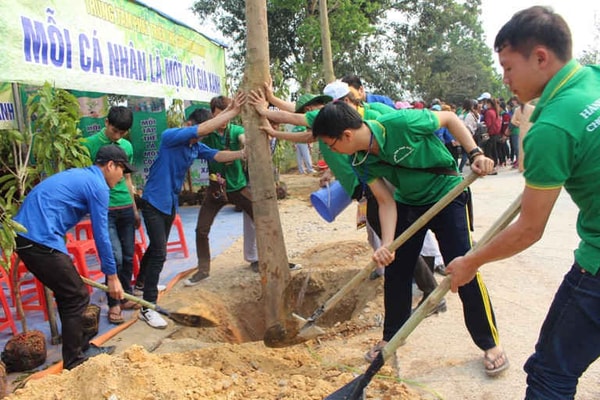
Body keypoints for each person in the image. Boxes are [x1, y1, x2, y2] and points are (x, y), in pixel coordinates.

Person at [447, 6, 600, 398]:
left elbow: (530, 229)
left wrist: (471, 261)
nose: (504, 79)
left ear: (541, 57)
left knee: (550, 372)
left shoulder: (552, 128)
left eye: (508, 67)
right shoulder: (594, 80)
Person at [311, 101, 509, 375]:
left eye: (330, 145)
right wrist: (389, 244)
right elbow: (385, 201)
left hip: (446, 193)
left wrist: (475, 152)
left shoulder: (401, 123)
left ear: (346, 135)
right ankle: (390, 339)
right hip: (408, 203)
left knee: (463, 270)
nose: (332, 151)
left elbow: (450, 118)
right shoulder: (359, 159)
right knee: (397, 271)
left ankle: (490, 344)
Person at [13, 145, 132, 369]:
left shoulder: (84, 177)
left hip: (31, 236)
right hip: (39, 239)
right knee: (76, 296)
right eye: (122, 171)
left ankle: (82, 348)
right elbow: (101, 234)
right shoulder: (98, 186)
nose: (122, 177)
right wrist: (112, 276)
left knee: (71, 293)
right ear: (110, 166)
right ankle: (75, 361)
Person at [138, 94, 247, 328]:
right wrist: (233, 111)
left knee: (156, 248)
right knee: (159, 253)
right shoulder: (171, 137)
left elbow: (217, 155)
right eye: (199, 131)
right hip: (153, 201)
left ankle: (141, 283)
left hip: (168, 203)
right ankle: (147, 307)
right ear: (190, 126)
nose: (201, 136)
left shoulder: (195, 146)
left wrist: (241, 154)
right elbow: (205, 127)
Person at [183, 95, 300, 287]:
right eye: (221, 115)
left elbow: (244, 138)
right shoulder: (207, 133)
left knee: (264, 221)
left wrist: (248, 143)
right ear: (213, 115)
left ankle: (276, 260)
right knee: (201, 229)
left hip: (238, 187)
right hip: (215, 191)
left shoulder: (236, 130)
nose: (225, 120)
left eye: (229, 114)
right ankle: (203, 270)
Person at [83, 106, 141, 325]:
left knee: (127, 255)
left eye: (122, 133)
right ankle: (113, 304)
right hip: (103, 209)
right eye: (115, 131)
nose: (118, 136)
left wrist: (134, 208)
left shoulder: (126, 146)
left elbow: (127, 180)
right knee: (113, 256)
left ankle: (124, 295)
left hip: (125, 206)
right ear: (106, 122)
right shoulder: (88, 145)